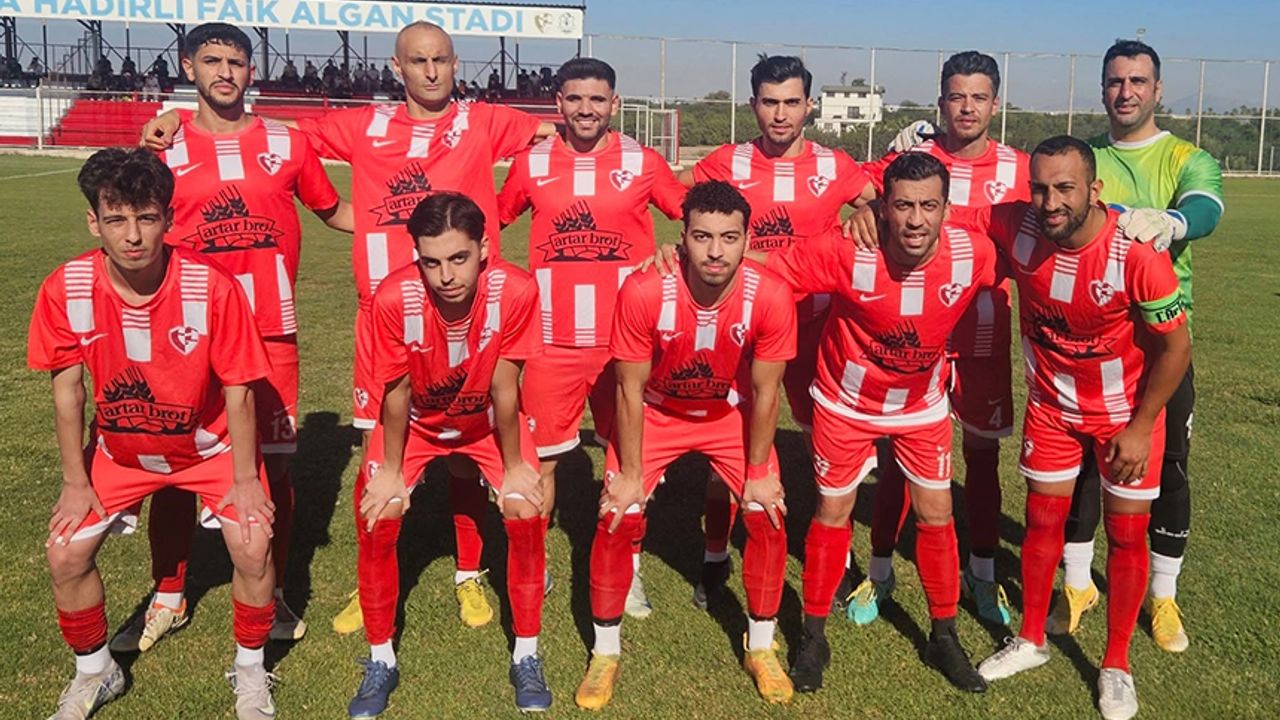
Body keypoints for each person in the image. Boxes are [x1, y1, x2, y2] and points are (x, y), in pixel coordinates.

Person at [139, 18, 555, 641]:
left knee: (467, 446)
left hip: (468, 311)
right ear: (397, 67)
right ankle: (373, 577)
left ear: (456, 64)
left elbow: (568, 126)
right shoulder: (362, 125)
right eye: (419, 60)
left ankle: (469, 571)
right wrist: (174, 115)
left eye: (442, 59)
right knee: (377, 447)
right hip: (385, 313)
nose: (432, 71)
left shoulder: (487, 121)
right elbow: (267, 130)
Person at [111, 22, 353, 655]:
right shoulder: (161, 147)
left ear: (252, 71)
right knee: (176, 463)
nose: (225, 72)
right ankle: (169, 594)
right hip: (184, 331)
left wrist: (415, 222)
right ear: (188, 67)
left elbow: (334, 211)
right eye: (212, 60)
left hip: (269, 328)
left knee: (272, 465)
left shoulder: (287, 142)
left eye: (237, 62)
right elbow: (131, 232)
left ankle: (272, 589)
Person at [31, 147, 278, 720]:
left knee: (252, 544)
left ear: (169, 217)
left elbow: (239, 390)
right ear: (93, 222)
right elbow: (68, 392)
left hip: (209, 449)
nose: (133, 235)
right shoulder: (65, 287)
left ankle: (250, 669)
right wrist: (75, 481)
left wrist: (245, 479)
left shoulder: (212, 286)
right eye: (116, 219)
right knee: (65, 554)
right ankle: (96, 671)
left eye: (146, 217)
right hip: (120, 454)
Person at [761, 153, 997, 694]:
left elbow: (1034, 241)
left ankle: (944, 636)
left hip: (921, 405)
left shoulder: (974, 254)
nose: (916, 220)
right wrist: (688, 254)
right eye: (903, 206)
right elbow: (766, 266)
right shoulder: (848, 250)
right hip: (846, 403)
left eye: (929, 206)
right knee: (833, 511)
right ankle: (814, 637)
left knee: (937, 513)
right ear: (883, 207)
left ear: (947, 210)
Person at [974, 135, 1191, 720]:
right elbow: (946, 211)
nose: (1050, 203)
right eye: (1040, 189)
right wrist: (873, 204)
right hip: (1051, 408)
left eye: (1065, 188)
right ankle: (1031, 639)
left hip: (1124, 415)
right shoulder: (1016, 225)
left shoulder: (1135, 254)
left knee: (1125, 536)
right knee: (1042, 521)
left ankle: (1116, 665)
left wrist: (1143, 426)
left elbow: (1176, 348)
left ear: (1094, 190)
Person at [574, 181, 797, 709]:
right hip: (658, 412)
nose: (715, 251)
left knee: (766, 511)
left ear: (747, 241)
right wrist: (631, 474)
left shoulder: (770, 294)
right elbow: (628, 389)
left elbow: (767, 392)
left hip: (728, 413)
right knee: (617, 512)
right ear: (683, 238)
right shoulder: (645, 290)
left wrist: (758, 471)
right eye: (702, 236)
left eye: (729, 237)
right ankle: (605, 653)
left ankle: (760, 647)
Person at [678, 55, 874, 611]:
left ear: (809, 105)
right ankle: (716, 553)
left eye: (791, 102)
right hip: (742, 326)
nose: (780, 114)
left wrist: (869, 213)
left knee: (825, 443)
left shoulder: (834, 165)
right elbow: (678, 201)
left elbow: (879, 201)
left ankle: (836, 554)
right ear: (753, 105)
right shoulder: (728, 162)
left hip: (817, 328)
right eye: (769, 102)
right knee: (730, 437)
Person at [1049, 40, 1224, 653]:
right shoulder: (1086, 158)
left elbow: (1205, 207)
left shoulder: (1185, 156)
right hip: (1092, 344)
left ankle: (1163, 594)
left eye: (1138, 81)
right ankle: (1077, 584)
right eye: (1115, 81)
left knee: (1168, 465)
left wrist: (1174, 221)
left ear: (1157, 90)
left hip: (1161, 346)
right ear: (1102, 89)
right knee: (1081, 468)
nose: (1125, 92)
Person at [498, 57, 687, 620]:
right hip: (549, 342)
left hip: (623, 344)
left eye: (597, 99)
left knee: (627, 457)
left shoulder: (642, 161)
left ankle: (626, 568)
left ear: (615, 104)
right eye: (575, 98)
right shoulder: (531, 163)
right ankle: (534, 566)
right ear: (558, 103)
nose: (586, 109)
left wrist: (677, 247)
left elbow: (697, 216)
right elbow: (487, 225)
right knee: (541, 462)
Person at [348, 191, 550, 715]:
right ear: (417, 256)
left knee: (526, 509)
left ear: (484, 248)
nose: (446, 276)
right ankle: (381, 658)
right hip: (416, 425)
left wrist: (514, 470)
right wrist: (392, 472)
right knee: (377, 513)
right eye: (431, 262)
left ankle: (527, 653)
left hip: (485, 423)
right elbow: (395, 392)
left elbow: (505, 389)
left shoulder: (517, 290)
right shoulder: (393, 297)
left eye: (459, 258)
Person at [849, 50, 1030, 628]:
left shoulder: (1021, 170)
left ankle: (982, 573)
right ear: (941, 103)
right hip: (911, 333)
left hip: (983, 331)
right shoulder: (914, 161)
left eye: (978, 97)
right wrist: (864, 204)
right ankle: (880, 572)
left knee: (981, 456)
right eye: (956, 96)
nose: (967, 108)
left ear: (995, 104)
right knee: (896, 457)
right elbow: (852, 184)